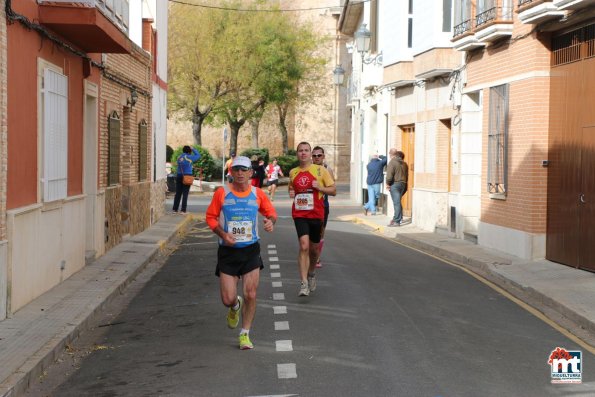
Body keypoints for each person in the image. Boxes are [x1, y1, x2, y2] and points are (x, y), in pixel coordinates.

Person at [205, 156, 277, 350]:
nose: (239, 173)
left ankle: (245, 334)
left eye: (243, 170)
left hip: (251, 250)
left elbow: (271, 213)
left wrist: (270, 221)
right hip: (228, 252)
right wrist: (222, 233)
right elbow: (211, 217)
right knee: (227, 299)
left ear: (250, 173)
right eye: (236, 169)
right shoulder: (222, 193)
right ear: (231, 172)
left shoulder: (258, 194)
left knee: (251, 294)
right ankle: (235, 306)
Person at [289, 142, 336, 296]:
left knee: (314, 250)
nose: (303, 153)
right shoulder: (293, 172)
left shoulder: (320, 170)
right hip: (299, 214)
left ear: (310, 153)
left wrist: (320, 188)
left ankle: (311, 273)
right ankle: (303, 283)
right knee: (303, 246)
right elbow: (292, 187)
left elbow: (333, 190)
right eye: (300, 151)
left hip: (316, 214)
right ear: (297, 154)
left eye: (306, 151)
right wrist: (291, 192)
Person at [311, 146, 335, 269]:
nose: (316, 158)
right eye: (314, 155)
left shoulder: (327, 169)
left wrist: (321, 188)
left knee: (320, 233)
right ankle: (310, 255)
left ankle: (317, 257)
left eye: (319, 155)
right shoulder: (306, 168)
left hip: (323, 205)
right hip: (308, 206)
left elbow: (333, 190)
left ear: (323, 156)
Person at [172, 145, 201, 214]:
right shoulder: (189, 157)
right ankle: (183, 210)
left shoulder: (179, 157)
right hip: (187, 176)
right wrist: (193, 149)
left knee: (178, 193)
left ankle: (175, 210)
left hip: (179, 175)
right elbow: (198, 155)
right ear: (189, 151)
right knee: (185, 193)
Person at [385, 149, 409, 227]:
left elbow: (389, 176)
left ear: (391, 155)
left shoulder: (392, 163)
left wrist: (388, 184)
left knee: (396, 203)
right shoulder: (404, 164)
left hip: (395, 185)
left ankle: (396, 221)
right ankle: (399, 217)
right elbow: (407, 176)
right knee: (398, 202)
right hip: (403, 184)